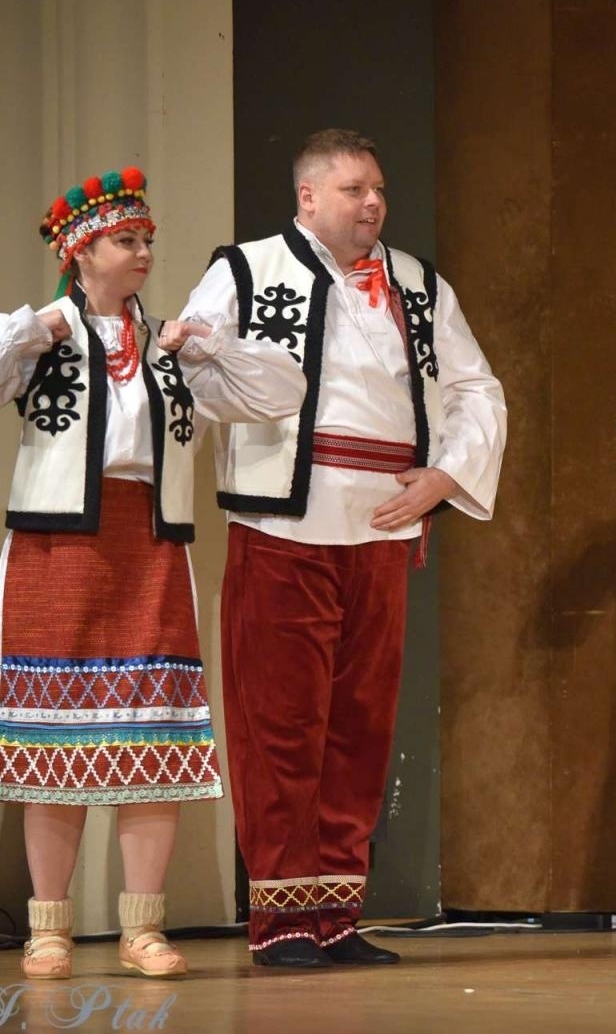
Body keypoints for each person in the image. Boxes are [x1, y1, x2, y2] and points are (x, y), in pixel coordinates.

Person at [0, 167, 305, 979]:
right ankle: (49, 929)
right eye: (127, 240)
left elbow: (282, 392)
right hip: (57, 552)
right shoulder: (40, 337)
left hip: (151, 549)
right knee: (50, 743)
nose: (143, 253)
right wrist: (30, 330)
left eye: (147, 241)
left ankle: (142, 930)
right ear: (82, 252)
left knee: (152, 739)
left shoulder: (172, 344)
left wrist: (211, 344)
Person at [178, 129, 507, 967]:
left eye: (380, 190)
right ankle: (281, 918)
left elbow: (476, 388)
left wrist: (442, 478)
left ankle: (334, 913)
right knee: (280, 725)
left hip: (383, 525)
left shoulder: (419, 286)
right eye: (356, 189)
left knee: (360, 728)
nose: (373, 204)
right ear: (308, 198)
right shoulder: (247, 270)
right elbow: (195, 374)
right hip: (285, 526)